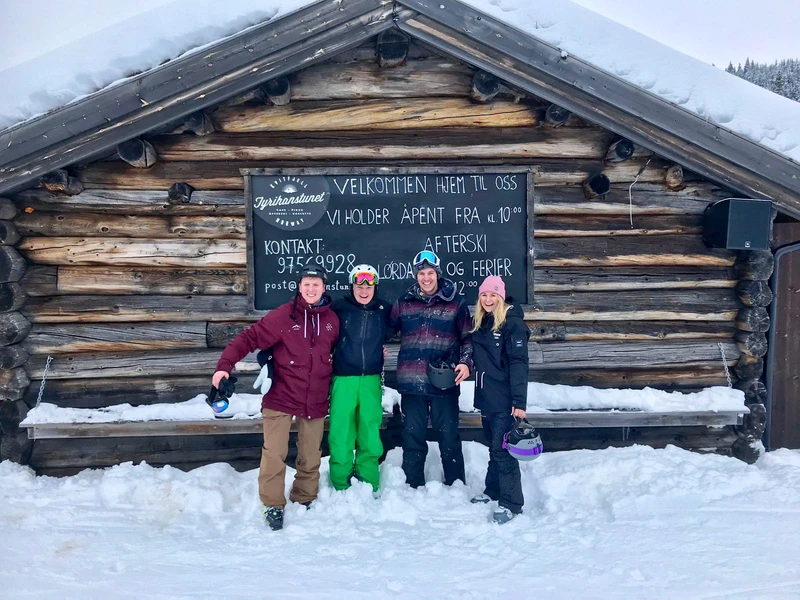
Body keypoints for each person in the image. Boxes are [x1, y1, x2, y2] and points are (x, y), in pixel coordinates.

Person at [211, 267, 339, 531]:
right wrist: (224, 366)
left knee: (311, 452)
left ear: (324, 287)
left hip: (314, 397)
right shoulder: (284, 316)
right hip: (281, 395)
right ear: (299, 286)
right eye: (306, 284)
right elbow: (250, 338)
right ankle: (272, 503)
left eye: (316, 284)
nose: (311, 289)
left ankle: (304, 497)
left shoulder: (332, 321)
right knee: (275, 452)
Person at [388, 250, 473, 488]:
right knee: (412, 435)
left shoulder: (455, 303)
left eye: (430, 273)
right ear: (416, 275)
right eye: (421, 273)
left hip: (443, 380)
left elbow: (468, 338)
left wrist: (466, 362)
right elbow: (385, 330)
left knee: (448, 436)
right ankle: (412, 485)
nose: (426, 278)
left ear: (438, 274)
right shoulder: (403, 302)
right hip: (411, 381)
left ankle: (456, 484)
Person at [468, 275, 530, 524]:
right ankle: (493, 490)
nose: (488, 299)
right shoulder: (483, 321)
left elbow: (519, 363)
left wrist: (519, 401)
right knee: (494, 447)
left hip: (505, 399)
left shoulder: (512, 324)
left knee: (503, 451)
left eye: (493, 295)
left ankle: (511, 503)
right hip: (487, 397)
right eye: (484, 295)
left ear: (501, 297)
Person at [328, 264, 391, 493]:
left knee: (369, 430)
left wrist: (379, 350)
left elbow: (394, 329)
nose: (364, 290)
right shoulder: (338, 308)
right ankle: (340, 481)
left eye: (369, 285)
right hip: (344, 379)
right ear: (352, 285)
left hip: (371, 379)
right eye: (359, 285)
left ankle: (368, 478)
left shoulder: (383, 309)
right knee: (341, 431)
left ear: (375, 286)